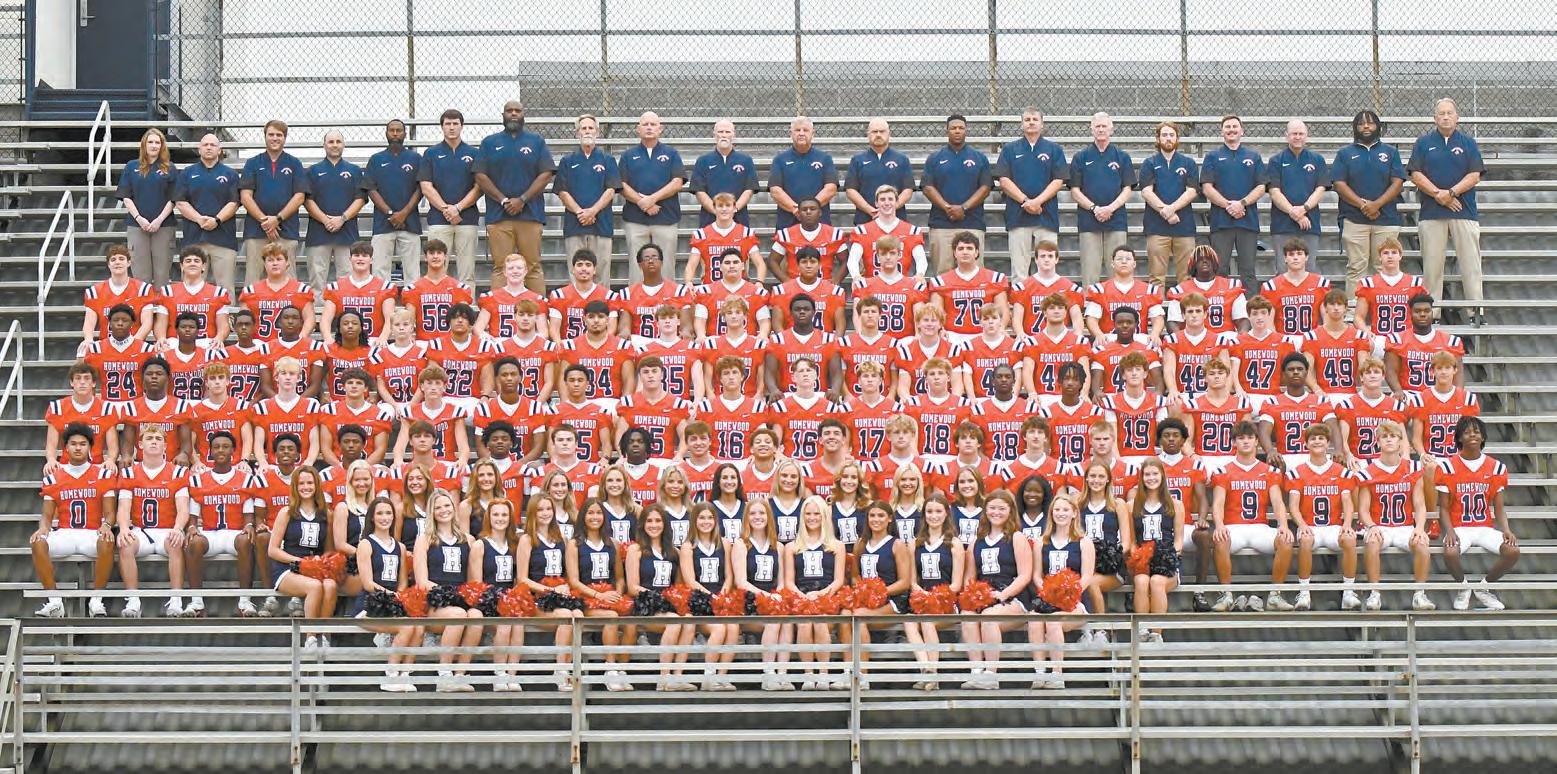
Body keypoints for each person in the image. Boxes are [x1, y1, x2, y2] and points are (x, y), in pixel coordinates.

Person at [32, 424, 119, 618]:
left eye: (83, 444)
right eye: (73, 444)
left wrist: (106, 526)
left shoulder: (103, 474)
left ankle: (96, 600)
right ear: (65, 448)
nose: (78, 448)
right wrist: (43, 528)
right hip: (66, 533)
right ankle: (54, 601)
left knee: (107, 540)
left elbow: (110, 513)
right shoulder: (54, 477)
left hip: (91, 533)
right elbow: (47, 515)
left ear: (90, 447)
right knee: (38, 542)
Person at [1410, 98, 1486, 317]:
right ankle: (1431, 314)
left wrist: (1450, 193)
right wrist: (1438, 194)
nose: (1445, 117)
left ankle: (1476, 312)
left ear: (1457, 117)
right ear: (1434, 118)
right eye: (1441, 113)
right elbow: (1415, 173)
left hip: (1464, 211)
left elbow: (1474, 175)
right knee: (1432, 267)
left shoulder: (1468, 143)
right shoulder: (1423, 143)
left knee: (1471, 264)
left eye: (1449, 113)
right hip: (1432, 213)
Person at [1207, 420, 1291, 612]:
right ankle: (1226, 595)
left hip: (1259, 527)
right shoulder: (1223, 471)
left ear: (1257, 442)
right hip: (1233, 527)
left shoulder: (1269, 471)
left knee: (1285, 540)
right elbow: (1217, 504)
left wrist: (1284, 525)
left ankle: (1275, 595)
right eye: (1241, 438)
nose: (1245, 441)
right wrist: (1219, 525)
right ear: (1234, 442)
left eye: (1250, 437)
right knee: (1220, 539)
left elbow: (1278, 502)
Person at [1437, 416, 1517, 611]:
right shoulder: (1447, 466)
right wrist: (1449, 531)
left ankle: (1483, 588)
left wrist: (1506, 529)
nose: (1472, 435)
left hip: (1483, 527)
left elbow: (1499, 507)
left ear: (1483, 437)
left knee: (1512, 551)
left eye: (1476, 432)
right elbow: (1444, 507)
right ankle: (1463, 588)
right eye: (1466, 432)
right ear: (1459, 438)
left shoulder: (1496, 467)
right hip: (1460, 527)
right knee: (1450, 551)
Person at [475, 99, 555, 293]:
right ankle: (497, 310)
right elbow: (480, 175)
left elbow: (546, 173)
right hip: (499, 216)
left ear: (523, 114)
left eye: (517, 110)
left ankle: (538, 310)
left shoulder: (536, 141)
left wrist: (522, 199)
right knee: (502, 267)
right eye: (509, 110)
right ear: (503, 115)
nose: (513, 114)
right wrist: (503, 200)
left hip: (530, 215)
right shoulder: (489, 142)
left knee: (532, 267)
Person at [1355, 420, 1435, 611]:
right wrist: (1371, 526)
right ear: (1377, 442)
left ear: (1401, 442)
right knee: (1372, 542)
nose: (1389, 440)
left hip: (1404, 526)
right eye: (1384, 436)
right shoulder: (1368, 471)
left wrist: (1419, 528)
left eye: (1393, 436)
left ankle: (1419, 594)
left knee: (1422, 544)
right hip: (1379, 526)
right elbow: (1363, 510)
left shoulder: (1413, 468)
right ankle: (1374, 593)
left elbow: (1420, 504)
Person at [958, 489, 1033, 689]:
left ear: (1010, 511)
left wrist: (1003, 595)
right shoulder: (976, 542)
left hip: (1013, 596)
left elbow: (1025, 575)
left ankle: (991, 675)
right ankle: (976, 671)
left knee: (989, 617)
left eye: (1001, 508)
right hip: (984, 596)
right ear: (985, 510)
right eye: (992, 508)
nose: (996, 512)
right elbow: (969, 578)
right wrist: (973, 596)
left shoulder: (1017, 537)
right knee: (967, 614)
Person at [414, 489, 484, 692]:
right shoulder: (425, 539)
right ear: (431, 512)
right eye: (438, 507)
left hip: (460, 601)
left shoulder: (468, 540)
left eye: (447, 505)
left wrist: (465, 596)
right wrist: (449, 595)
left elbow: (472, 580)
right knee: (458, 614)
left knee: (476, 616)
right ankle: (444, 675)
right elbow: (422, 581)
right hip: (434, 603)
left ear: (454, 508)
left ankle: (460, 674)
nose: (443, 510)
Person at [1285, 424, 1359, 611]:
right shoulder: (1297, 472)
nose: (1317, 441)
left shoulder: (1341, 471)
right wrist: (1302, 525)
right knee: (1305, 540)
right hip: (1310, 525)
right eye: (1313, 439)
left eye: (1321, 438)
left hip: (1333, 526)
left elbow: (1347, 502)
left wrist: (1347, 524)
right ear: (1306, 444)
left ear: (1328, 443)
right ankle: (1304, 592)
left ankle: (1348, 592)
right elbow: (1293, 506)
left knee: (1350, 539)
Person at [1332, 110, 1406, 296]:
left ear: (1378, 126)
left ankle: (1383, 309)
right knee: (1356, 267)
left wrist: (1377, 205)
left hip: (1386, 219)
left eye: (1371, 123)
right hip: (1354, 219)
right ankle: (1353, 309)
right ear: (1355, 127)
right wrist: (1363, 205)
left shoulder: (1391, 152)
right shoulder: (1344, 154)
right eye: (1361, 123)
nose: (1366, 126)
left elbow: (1398, 183)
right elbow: (1339, 184)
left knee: (1385, 267)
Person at [183, 431, 257, 616]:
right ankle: (196, 601)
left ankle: (245, 600)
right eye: (216, 447)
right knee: (194, 541)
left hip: (234, 534)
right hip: (211, 534)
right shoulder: (198, 479)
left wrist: (249, 527)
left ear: (233, 451)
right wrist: (192, 528)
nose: (221, 450)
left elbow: (249, 518)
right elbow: (193, 518)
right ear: (210, 451)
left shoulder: (245, 478)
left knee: (246, 539)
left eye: (225, 446)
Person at [842, 499, 913, 689]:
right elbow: (855, 576)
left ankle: (862, 677)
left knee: (858, 617)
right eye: (872, 515)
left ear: (889, 519)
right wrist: (863, 590)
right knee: (845, 614)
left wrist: (879, 591)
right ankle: (847, 673)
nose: (876, 519)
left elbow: (904, 582)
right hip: (866, 601)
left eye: (881, 515)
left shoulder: (897, 544)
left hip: (892, 600)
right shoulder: (860, 543)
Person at [354, 496, 421, 692]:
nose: (385, 517)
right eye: (380, 513)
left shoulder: (399, 546)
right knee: (406, 627)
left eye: (388, 513)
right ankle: (390, 675)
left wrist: (399, 597)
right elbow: (368, 583)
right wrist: (393, 596)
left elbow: (402, 582)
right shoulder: (366, 544)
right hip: (369, 606)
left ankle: (405, 675)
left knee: (418, 626)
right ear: (372, 518)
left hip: (392, 603)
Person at [625, 504, 696, 691]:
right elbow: (632, 587)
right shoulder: (636, 549)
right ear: (642, 524)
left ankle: (677, 676)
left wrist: (673, 598)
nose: (654, 525)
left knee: (689, 621)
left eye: (658, 521)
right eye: (649, 521)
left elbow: (678, 586)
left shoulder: (674, 552)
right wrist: (658, 597)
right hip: (645, 605)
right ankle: (664, 677)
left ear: (665, 524)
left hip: (667, 606)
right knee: (674, 622)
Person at [995, 107, 1067, 282]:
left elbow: (1059, 180)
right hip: (1018, 216)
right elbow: (1003, 180)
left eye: (1035, 119)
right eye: (1027, 120)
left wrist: (1037, 202)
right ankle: (1020, 300)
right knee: (1019, 271)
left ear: (1042, 124)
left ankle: (1048, 299)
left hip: (1046, 217)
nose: (1031, 122)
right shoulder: (1010, 149)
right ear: (1021, 124)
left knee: (1048, 269)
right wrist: (1026, 201)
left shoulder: (1054, 149)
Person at [266, 465, 338, 643]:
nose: (306, 487)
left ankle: (324, 635)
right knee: (314, 587)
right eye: (301, 483)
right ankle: (310, 638)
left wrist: (320, 561)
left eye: (310, 483)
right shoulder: (287, 512)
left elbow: (329, 549)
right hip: (288, 568)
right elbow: (272, 550)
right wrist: (301, 562)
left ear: (317, 485)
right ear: (295, 487)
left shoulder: (327, 514)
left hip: (315, 568)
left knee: (330, 585)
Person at [567, 498, 631, 691]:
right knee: (611, 617)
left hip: (609, 596)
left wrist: (617, 594)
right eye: (590, 513)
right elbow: (573, 581)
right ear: (583, 516)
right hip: (585, 598)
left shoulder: (613, 543)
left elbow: (619, 577)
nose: (595, 517)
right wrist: (598, 595)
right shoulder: (574, 544)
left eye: (598, 513)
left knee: (632, 621)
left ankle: (622, 670)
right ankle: (609, 670)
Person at [784, 495, 847, 690]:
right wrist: (803, 597)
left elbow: (838, 580)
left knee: (820, 621)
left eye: (816, 514)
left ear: (824, 516)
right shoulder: (792, 546)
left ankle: (823, 675)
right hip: (800, 596)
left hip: (827, 596)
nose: (812, 518)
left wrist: (820, 594)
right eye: (808, 514)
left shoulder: (836, 545)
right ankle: (808, 676)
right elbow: (788, 581)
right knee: (804, 624)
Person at [1031, 493, 1094, 688]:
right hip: (1048, 599)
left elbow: (1087, 576)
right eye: (1057, 509)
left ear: (1074, 513)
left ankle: (1057, 674)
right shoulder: (1041, 542)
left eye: (1065, 510)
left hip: (1075, 601)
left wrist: (1068, 595)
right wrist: (1049, 593)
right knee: (1034, 619)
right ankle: (1040, 673)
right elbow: (1037, 576)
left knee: (1053, 621)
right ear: (1051, 513)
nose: (1061, 513)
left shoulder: (1084, 542)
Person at [618, 111, 687, 285]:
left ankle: (667, 301)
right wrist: (642, 202)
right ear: (638, 129)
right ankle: (636, 301)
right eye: (645, 124)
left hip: (666, 218)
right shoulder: (628, 155)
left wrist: (652, 199)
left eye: (653, 124)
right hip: (635, 220)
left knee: (666, 266)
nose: (649, 128)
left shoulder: (671, 154)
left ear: (660, 129)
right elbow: (621, 185)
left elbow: (677, 182)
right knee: (637, 267)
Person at [553, 113, 622, 286]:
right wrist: (580, 212)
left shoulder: (608, 160)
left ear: (597, 132)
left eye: (591, 128)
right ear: (577, 133)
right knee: (576, 272)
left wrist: (593, 211)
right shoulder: (567, 161)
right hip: (574, 225)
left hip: (601, 225)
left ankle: (601, 305)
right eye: (583, 128)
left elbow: (611, 190)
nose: (587, 131)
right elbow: (562, 191)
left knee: (601, 273)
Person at [1200, 115, 1265, 293]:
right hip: (1221, 222)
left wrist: (1242, 203)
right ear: (1222, 132)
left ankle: (1251, 306)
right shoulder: (1212, 157)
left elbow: (1261, 186)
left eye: (1235, 126)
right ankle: (1222, 305)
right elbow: (1207, 187)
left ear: (1242, 131)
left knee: (1248, 271)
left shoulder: (1254, 157)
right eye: (1227, 127)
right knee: (1220, 270)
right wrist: (1228, 206)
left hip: (1247, 222)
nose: (1231, 130)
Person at [922, 114, 993, 275]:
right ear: (947, 131)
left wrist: (964, 208)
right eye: (953, 128)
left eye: (961, 128)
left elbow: (985, 187)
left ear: (966, 131)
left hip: (972, 223)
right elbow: (927, 187)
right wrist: (947, 208)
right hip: (941, 224)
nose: (957, 131)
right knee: (942, 275)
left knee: (974, 274)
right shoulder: (935, 158)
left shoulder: (979, 158)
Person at [1070, 112, 1136, 286]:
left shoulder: (1122, 157)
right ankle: (1090, 304)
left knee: (1118, 271)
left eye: (1104, 126)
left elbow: (1127, 188)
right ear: (1091, 130)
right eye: (1097, 126)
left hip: (1116, 221)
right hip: (1088, 221)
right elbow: (1075, 190)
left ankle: (1117, 303)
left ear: (1111, 130)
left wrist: (1110, 208)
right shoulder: (1081, 157)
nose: (1101, 130)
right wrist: (1094, 209)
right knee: (1090, 273)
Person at [418, 108, 482, 284]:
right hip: (439, 219)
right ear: (442, 127)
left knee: (467, 272)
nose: (451, 127)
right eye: (448, 124)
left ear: (462, 126)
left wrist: (458, 208)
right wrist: (447, 209)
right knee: (436, 270)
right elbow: (426, 187)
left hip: (467, 219)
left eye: (455, 123)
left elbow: (479, 187)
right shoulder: (431, 153)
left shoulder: (474, 153)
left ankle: (467, 302)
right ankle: (439, 302)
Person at [904, 494, 963, 688]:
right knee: (909, 622)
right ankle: (927, 670)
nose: (934, 516)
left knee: (927, 621)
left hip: (947, 602)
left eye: (938, 511)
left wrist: (935, 596)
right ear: (924, 515)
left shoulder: (954, 543)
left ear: (946, 514)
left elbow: (956, 584)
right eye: (929, 511)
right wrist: (922, 594)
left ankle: (933, 675)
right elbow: (912, 581)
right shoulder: (915, 544)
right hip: (922, 601)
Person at [238, 120, 306, 285]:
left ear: (284, 138)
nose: (275, 138)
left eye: (279, 135)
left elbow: (299, 196)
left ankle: (289, 304)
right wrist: (266, 222)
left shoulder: (294, 163)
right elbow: (245, 196)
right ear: (265, 136)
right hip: (256, 230)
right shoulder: (252, 163)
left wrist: (277, 219)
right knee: (253, 279)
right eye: (271, 134)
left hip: (286, 229)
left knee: (288, 278)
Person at [173, 133, 242, 295]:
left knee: (225, 288)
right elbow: (180, 202)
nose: (209, 148)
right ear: (199, 149)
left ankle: (227, 313)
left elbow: (234, 203)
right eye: (205, 145)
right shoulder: (187, 173)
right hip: (194, 238)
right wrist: (199, 219)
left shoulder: (231, 174)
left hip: (223, 239)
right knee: (192, 287)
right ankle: (191, 313)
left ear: (219, 150)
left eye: (213, 145)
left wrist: (216, 220)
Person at [681, 504, 738, 690]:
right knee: (719, 629)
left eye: (710, 518)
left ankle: (722, 677)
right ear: (694, 521)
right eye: (702, 518)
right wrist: (710, 597)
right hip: (699, 602)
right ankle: (709, 676)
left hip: (720, 599)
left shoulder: (724, 544)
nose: (706, 522)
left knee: (734, 627)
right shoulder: (688, 546)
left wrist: (723, 594)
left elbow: (729, 576)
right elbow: (690, 580)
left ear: (716, 521)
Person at [302, 130, 366, 290]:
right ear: (324, 145)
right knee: (317, 280)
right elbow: (307, 200)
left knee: (347, 281)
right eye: (331, 142)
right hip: (318, 234)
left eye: (338, 141)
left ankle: (344, 308)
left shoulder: (355, 170)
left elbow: (360, 199)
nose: (335, 145)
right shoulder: (312, 171)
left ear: (344, 145)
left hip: (347, 234)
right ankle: (318, 307)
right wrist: (325, 220)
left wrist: (342, 219)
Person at [469, 497, 522, 690]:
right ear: (488, 518)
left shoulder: (515, 544)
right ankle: (499, 675)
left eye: (504, 515)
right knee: (505, 623)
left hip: (509, 600)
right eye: (496, 514)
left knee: (519, 624)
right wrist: (496, 600)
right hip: (487, 601)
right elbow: (476, 584)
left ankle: (512, 676)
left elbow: (518, 579)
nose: (500, 518)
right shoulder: (480, 545)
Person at [1139, 121, 1200, 287]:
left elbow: (1192, 191)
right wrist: (1164, 212)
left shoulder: (1188, 163)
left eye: (1172, 135)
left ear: (1177, 138)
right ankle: (1157, 305)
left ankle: (1184, 305)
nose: (1168, 138)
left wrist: (1171, 209)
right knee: (1156, 278)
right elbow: (1146, 192)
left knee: (1187, 278)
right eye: (1164, 135)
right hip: (1156, 227)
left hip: (1183, 226)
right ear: (1158, 138)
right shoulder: (1149, 163)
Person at [1265, 119, 1329, 272]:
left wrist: (1304, 208)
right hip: (1282, 225)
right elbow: (1274, 192)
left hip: (1310, 224)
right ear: (1287, 135)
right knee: (1283, 270)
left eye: (1301, 134)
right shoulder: (1276, 161)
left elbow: (1320, 189)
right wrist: (1294, 212)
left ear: (1306, 136)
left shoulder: (1317, 160)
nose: (1298, 137)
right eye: (1294, 134)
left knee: (1309, 269)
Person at [1257, 353, 1339, 471]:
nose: (1296, 372)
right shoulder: (1272, 402)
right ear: (1283, 374)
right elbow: (1263, 431)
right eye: (1291, 369)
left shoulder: (1321, 401)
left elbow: (1334, 427)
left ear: (1306, 373)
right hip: (1285, 458)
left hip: (1314, 457)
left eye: (1300, 369)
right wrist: (1270, 451)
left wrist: (1339, 449)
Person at [119, 128, 178, 286]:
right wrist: (139, 218)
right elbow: (126, 196)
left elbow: (174, 198)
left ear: (162, 146)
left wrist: (159, 220)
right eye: (150, 142)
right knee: (140, 277)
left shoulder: (170, 168)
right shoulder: (131, 166)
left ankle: (161, 303)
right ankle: (143, 303)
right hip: (137, 226)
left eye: (157, 142)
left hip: (164, 226)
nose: (153, 145)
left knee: (162, 275)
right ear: (144, 145)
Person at [1220, 295, 1297, 409]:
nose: (1259, 317)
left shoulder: (1284, 341)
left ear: (1269, 315)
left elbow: (1288, 373)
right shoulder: (1238, 342)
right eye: (1255, 313)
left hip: (1272, 395)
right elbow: (1233, 371)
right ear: (1249, 316)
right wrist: (1238, 389)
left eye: (1263, 313)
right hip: (1247, 395)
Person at [929, 233, 1008, 343]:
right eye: (960, 248)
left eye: (969, 248)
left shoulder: (994, 279)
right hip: (952, 336)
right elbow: (936, 312)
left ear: (977, 252)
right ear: (954, 253)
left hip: (984, 334)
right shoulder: (941, 281)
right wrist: (941, 329)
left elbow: (1003, 311)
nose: (965, 252)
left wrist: (1001, 328)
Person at [45, 362, 120, 471]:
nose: (82, 382)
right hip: (67, 466)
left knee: (110, 471)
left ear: (94, 383)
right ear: (71, 382)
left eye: (87, 378)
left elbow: (113, 446)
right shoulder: (58, 408)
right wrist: (51, 460)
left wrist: (111, 460)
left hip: (96, 466)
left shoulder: (106, 408)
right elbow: (51, 445)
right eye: (78, 378)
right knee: (50, 470)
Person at [83, 246, 159, 353]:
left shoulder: (143, 289)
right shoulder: (95, 292)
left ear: (129, 263)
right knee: (83, 351)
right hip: (106, 346)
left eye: (121, 259)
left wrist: (132, 344)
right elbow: (89, 323)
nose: (117, 262)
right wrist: (88, 340)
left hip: (135, 345)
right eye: (113, 259)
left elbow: (147, 323)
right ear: (108, 264)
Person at [1386, 293, 1466, 395]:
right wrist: (1398, 391)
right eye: (1417, 311)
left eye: (1427, 311)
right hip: (1409, 394)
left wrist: (1457, 395)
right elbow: (1390, 371)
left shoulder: (1450, 341)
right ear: (1410, 314)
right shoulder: (1397, 340)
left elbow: (1458, 373)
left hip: (1439, 395)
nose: (1422, 314)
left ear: (1432, 313)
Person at [770, 117, 839, 230]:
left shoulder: (825, 159)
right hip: (788, 224)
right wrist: (797, 210)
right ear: (791, 134)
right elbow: (775, 191)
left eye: (805, 130)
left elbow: (831, 188)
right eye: (797, 130)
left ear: (813, 134)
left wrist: (809, 209)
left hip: (820, 224)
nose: (801, 133)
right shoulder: (779, 160)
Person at [155, 246, 231, 349]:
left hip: (206, 344)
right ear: (181, 266)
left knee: (216, 347)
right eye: (188, 261)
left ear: (203, 266)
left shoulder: (217, 293)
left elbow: (223, 325)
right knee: (164, 346)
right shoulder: (168, 292)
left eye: (196, 261)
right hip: (175, 344)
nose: (192, 263)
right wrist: (161, 338)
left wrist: (219, 338)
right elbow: (160, 322)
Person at [1353, 238, 1422, 349]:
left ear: (1400, 256)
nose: (1390, 256)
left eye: (1394, 252)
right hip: (1379, 340)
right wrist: (1367, 332)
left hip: (1406, 340)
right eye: (1385, 253)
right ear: (1380, 257)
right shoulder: (1369, 284)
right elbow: (1358, 317)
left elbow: (1422, 316)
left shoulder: (1415, 283)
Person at [845, 118, 915, 228]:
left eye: (882, 131)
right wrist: (870, 210)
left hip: (895, 221)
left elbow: (908, 190)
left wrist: (889, 209)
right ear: (868, 135)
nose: (878, 135)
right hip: (865, 220)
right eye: (874, 131)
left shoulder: (902, 160)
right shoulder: (857, 160)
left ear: (889, 134)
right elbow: (850, 190)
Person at [1085, 247, 1164, 344]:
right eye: (1119, 259)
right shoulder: (1100, 290)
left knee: (1154, 346)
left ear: (1134, 264)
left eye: (1128, 259)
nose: (1124, 261)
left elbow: (1157, 317)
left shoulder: (1149, 290)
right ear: (1112, 263)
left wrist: (1155, 334)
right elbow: (1092, 318)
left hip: (1139, 340)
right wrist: (1098, 334)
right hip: (1109, 340)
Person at [240, 244, 315, 343]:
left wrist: (298, 341)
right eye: (270, 260)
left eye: (279, 259)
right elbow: (243, 322)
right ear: (264, 264)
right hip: (260, 346)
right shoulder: (251, 291)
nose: (275, 263)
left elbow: (310, 319)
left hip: (291, 345)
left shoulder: (301, 290)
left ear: (287, 263)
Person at [847, 186, 926, 280]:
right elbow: (853, 260)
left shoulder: (911, 231)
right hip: (873, 287)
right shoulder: (863, 231)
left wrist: (920, 274)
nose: (887, 203)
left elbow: (921, 259)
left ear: (896, 202)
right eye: (882, 199)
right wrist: (856, 276)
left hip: (901, 287)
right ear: (876, 203)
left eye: (890, 199)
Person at [1166, 245, 1248, 337]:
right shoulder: (1180, 290)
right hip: (1194, 339)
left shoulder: (1231, 286)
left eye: (1209, 258)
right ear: (1193, 264)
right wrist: (1180, 341)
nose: (1204, 261)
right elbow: (1174, 323)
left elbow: (1242, 319)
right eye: (1200, 259)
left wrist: (1242, 337)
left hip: (1224, 338)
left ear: (1214, 263)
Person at [691, 119, 759, 227]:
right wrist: (717, 211)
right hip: (709, 221)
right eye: (720, 132)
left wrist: (734, 209)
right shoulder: (703, 161)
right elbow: (699, 191)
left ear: (733, 135)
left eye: (727, 132)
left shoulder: (746, 160)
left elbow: (749, 190)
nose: (724, 135)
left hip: (739, 220)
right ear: (714, 135)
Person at [686, 193, 763, 285]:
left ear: (734, 208)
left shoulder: (746, 233)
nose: (724, 209)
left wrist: (759, 282)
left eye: (728, 205)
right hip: (711, 289)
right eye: (720, 206)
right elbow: (691, 265)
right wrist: (688, 282)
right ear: (714, 208)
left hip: (739, 290)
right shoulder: (701, 235)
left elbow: (760, 263)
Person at [771, 246, 847, 335]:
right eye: (804, 262)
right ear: (797, 266)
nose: (808, 266)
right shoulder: (781, 291)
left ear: (819, 265)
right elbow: (777, 324)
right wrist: (786, 342)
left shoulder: (834, 291)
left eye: (813, 262)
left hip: (824, 342)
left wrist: (834, 343)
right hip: (792, 342)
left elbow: (840, 326)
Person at [771, 198, 848, 284]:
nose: (808, 212)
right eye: (804, 209)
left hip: (824, 286)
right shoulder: (786, 235)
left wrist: (836, 280)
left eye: (813, 209)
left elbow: (846, 261)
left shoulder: (834, 234)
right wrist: (786, 281)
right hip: (795, 286)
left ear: (820, 212)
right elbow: (772, 261)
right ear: (798, 214)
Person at [549, 249, 613, 341]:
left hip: (597, 346)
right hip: (568, 346)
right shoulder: (559, 295)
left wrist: (600, 346)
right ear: (573, 269)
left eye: (588, 265)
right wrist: (560, 346)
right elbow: (554, 330)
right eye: (579, 265)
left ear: (594, 270)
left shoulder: (608, 296)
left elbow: (611, 330)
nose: (584, 269)